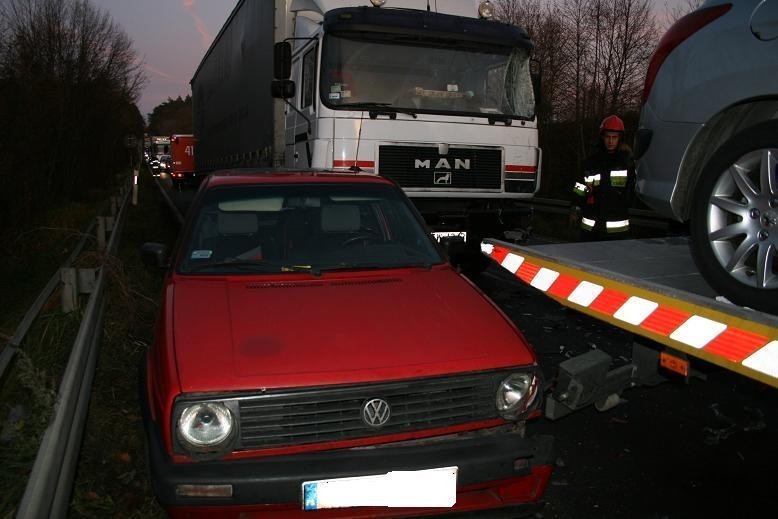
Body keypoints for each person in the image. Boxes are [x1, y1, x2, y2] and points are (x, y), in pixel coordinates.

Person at [570, 115, 636, 241]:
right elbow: (579, 188)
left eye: (614, 137)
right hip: (590, 230)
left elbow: (631, 193)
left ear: (620, 139)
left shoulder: (627, 164)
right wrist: (575, 208)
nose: (611, 141)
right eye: (607, 137)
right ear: (602, 137)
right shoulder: (590, 163)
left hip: (616, 233)